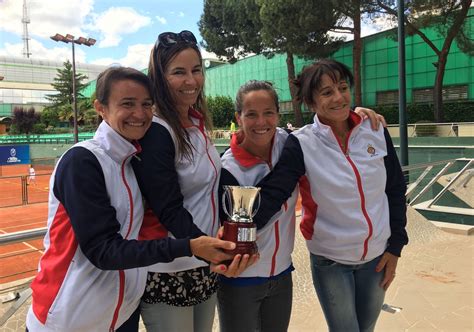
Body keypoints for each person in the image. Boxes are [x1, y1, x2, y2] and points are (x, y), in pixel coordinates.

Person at [26, 67, 237, 332]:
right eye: (127, 104)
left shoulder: (132, 160)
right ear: (100, 107)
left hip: (123, 315)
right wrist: (190, 246)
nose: (139, 114)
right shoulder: (82, 161)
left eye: (146, 104)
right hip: (68, 320)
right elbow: (104, 251)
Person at [253, 59, 408, 332]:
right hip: (331, 260)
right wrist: (235, 229)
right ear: (311, 102)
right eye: (326, 92)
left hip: (377, 257)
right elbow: (273, 194)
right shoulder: (301, 143)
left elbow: (394, 189)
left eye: (343, 87)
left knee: (366, 328)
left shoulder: (375, 130)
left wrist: (395, 245)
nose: (338, 97)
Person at [132, 30, 257, 332]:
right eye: (179, 72)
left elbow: (213, 184)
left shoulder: (197, 122)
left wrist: (239, 236)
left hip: (201, 262)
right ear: (159, 77)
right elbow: (168, 208)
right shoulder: (158, 130)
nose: (191, 81)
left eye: (196, 70)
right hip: (169, 269)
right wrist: (213, 247)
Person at [217, 80, 298, 332]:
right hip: (241, 281)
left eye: (268, 113)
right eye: (251, 114)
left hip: (283, 274)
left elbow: (327, 131)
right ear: (238, 118)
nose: (261, 122)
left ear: (278, 114)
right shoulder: (227, 169)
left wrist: (359, 115)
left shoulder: (290, 144)